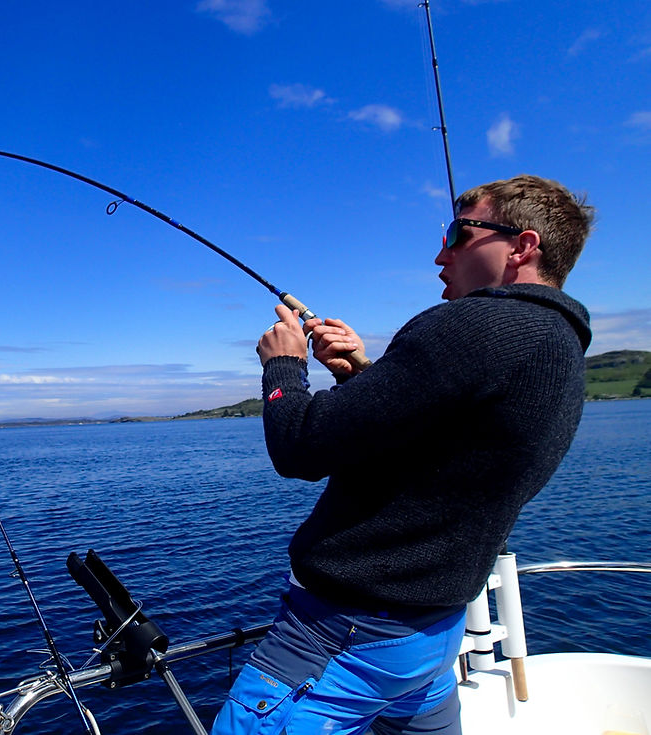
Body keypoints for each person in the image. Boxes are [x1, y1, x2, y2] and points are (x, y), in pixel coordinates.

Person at [210, 174, 595, 735]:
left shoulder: (471, 325)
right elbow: (444, 447)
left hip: (345, 633)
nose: (441, 254)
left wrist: (283, 367)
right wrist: (361, 378)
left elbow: (300, 447)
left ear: (523, 246)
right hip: (434, 635)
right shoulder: (560, 342)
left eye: (460, 235)